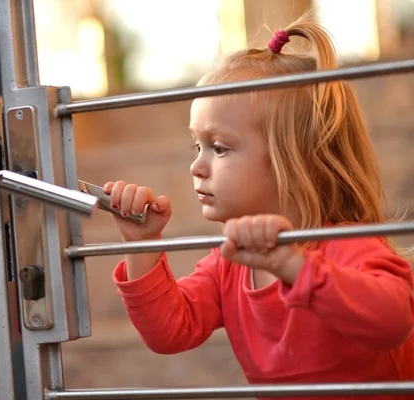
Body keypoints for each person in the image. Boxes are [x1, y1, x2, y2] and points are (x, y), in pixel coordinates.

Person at [102, 12, 414, 399]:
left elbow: (394, 321)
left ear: (295, 158)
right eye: (196, 146)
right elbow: (170, 331)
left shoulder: (350, 246)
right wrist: (140, 243)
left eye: (219, 147)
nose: (196, 167)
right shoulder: (230, 263)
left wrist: (296, 268)